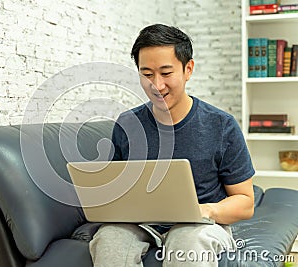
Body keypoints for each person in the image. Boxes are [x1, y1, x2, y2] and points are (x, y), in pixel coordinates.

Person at [89, 24, 255, 266]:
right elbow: (115, 191)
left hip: (198, 225)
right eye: (147, 74)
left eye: (166, 73)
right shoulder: (127, 124)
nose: (157, 84)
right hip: (140, 224)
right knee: (109, 238)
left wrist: (206, 210)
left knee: (189, 241)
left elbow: (245, 201)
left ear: (188, 69)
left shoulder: (221, 126)